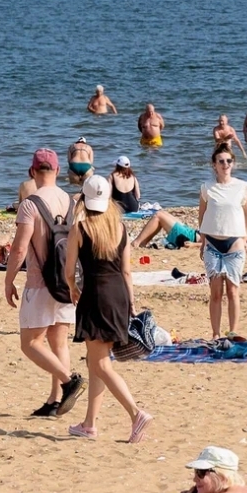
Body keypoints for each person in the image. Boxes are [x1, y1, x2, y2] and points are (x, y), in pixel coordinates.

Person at [62, 175, 152, 443]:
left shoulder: (80, 228)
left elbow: (69, 271)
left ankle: (136, 413)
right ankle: (89, 424)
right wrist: (131, 302)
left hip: (96, 296)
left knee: (99, 363)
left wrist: (71, 288)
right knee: (96, 362)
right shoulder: (119, 228)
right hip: (119, 296)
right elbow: (126, 270)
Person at [3, 149, 86, 418]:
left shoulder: (30, 204)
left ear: (32, 172)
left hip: (40, 283)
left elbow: (19, 249)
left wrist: (9, 279)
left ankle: (68, 380)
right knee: (57, 341)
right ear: (59, 171)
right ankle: (54, 401)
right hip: (66, 281)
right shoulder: (72, 202)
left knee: (30, 343)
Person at [198, 145, 247, 338]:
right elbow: (202, 215)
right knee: (215, 292)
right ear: (214, 165)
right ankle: (215, 333)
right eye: (221, 161)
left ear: (233, 163)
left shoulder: (242, 186)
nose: (225, 164)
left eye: (228, 161)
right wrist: (203, 241)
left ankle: (233, 331)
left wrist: (244, 238)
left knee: (232, 290)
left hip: (234, 244)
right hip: (212, 243)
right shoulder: (207, 187)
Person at [131, 210, 197, 249]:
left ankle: (136, 243)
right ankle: (142, 243)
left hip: (188, 237)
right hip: (192, 233)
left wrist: (194, 245)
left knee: (158, 215)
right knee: (162, 212)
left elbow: (206, 242)